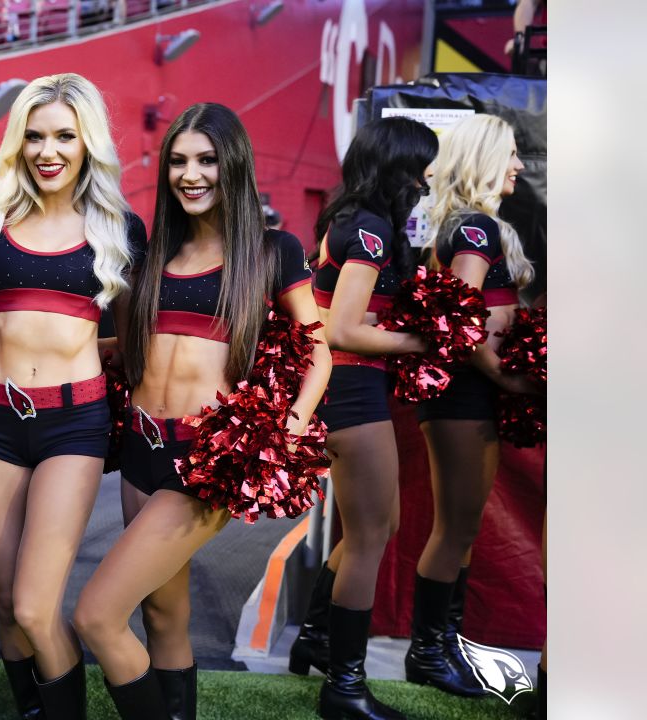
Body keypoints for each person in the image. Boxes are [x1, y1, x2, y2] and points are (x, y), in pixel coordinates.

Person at [73, 102, 330, 720]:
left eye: (207, 160)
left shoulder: (273, 251)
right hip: (139, 446)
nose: (191, 174)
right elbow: (131, 349)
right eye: (179, 161)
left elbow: (318, 353)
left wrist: (283, 433)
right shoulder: (153, 251)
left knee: (97, 615)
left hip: (205, 459)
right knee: (163, 613)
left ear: (232, 164)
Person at [0, 72, 141, 718]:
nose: (48, 152)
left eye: (65, 136)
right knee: (7, 598)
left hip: (74, 427)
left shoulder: (119, 229)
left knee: (38, 604)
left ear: (88, 142)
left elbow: (139, 336)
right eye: (34, 136)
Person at [296, 116, 437, 720]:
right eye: (422, 167)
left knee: (373, 527)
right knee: (372, 536)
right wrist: (423, 341)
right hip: (353, 393)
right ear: (399, 167)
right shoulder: (371, 228)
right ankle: (345, 689)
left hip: (349, 392)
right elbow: (343, 327)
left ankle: (319, 639)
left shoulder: (349, 220)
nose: (428, 180)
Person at [409, 113, 536, 697]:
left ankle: (443, 651)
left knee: (461, 528)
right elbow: (457, 320)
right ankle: (428, 655)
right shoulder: (475, 229)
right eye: (510, 154)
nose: (518, 165)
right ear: (486, 158)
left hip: (470, 394)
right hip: (463, 394)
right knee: (455, 528)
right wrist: (508, 381)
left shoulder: (478, 226)